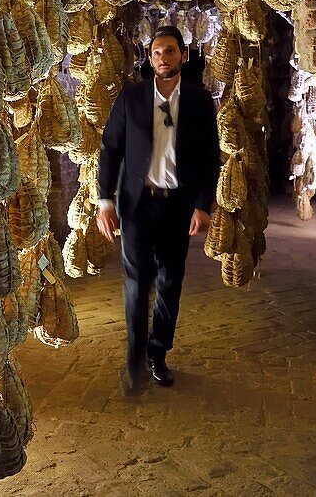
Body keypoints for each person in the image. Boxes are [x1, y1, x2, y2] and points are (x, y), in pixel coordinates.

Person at [96, 25, 221, 396]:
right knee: (137, 283)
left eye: (168, 51)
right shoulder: (131, 97)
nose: (161, 58)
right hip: (137, 205)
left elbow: (209, 159)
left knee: (169, 282)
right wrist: (105, 200)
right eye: (155, 52)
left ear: (182, 55)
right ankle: (133, 360)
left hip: (177, 207)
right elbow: (110, 148)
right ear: (149, 59)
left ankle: (157, 352)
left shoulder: (199, 102)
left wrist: (203, 205)